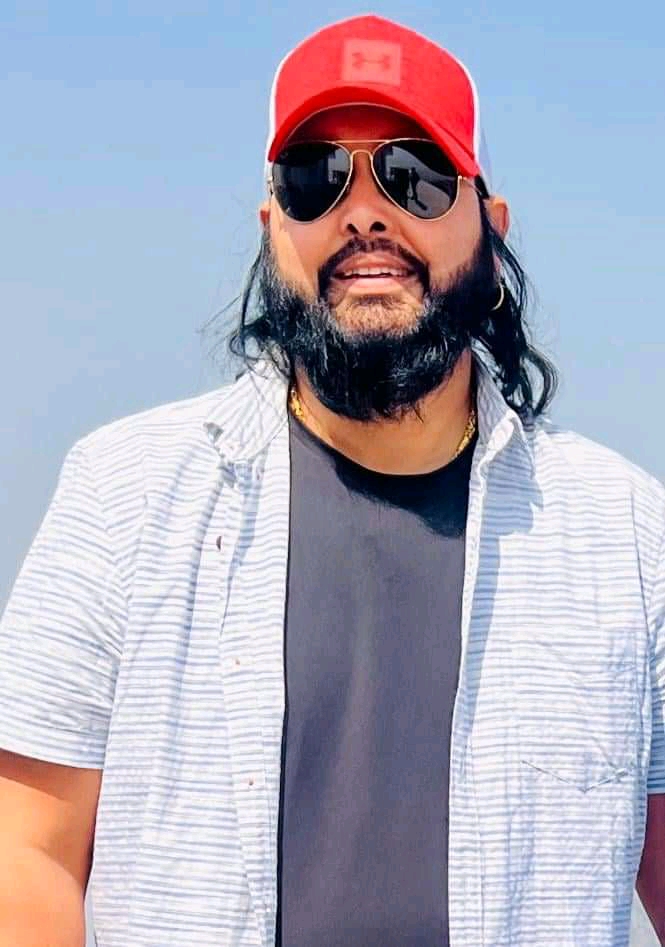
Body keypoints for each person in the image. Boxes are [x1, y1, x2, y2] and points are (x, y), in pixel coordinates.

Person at [0, 14, 663, 947]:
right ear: (272, 228)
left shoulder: (623, 532)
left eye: (413, 174)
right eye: (314, 177)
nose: (363, 213)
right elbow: (26, 848)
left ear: (491, 225)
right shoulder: (124, 494)